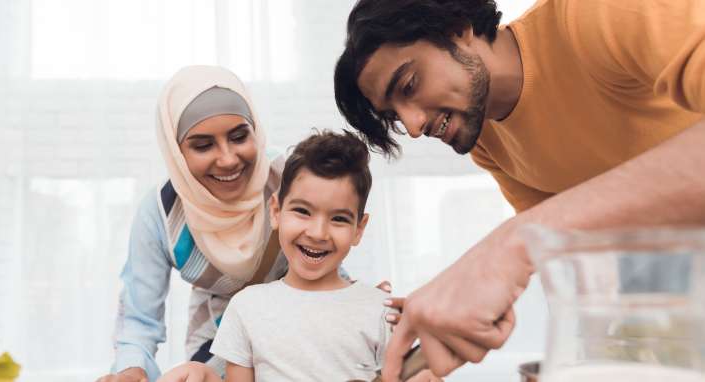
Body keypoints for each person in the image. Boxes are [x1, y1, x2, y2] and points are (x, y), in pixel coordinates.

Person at [333, 0, 705, 380]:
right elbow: (594, 270)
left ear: (457, 28)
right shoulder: (490, 143)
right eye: (395, 115)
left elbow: (540, 237)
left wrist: (516, 243)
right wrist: (457, 324)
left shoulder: (597, 14)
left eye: (410, 84)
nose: (413, 126)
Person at [157, 130, 441, 382]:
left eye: (339, 218)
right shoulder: (246, 309)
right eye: (303, 211)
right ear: (276, 211)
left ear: (359, 229)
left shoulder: (382, 311)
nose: (318, 233)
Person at [96, 65, 290, 382]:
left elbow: (326, 247)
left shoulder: (289, 177)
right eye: (203, 145)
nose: (228, 159)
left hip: (304, 327)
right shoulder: (162, 212)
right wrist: (131, 370)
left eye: (239, 136)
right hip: (216, 345)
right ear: (176, 151)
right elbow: (139, 319)